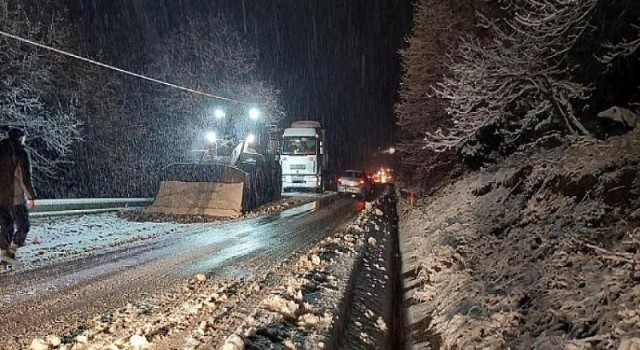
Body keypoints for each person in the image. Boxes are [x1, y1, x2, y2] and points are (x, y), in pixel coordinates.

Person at [0, 127, 36, 271]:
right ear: (19, 138)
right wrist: (31, 196)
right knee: (23, 225)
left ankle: (3, 257)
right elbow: (23, 176)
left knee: (6, 226)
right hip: (14, 197)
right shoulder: (20, 153)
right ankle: (10, 252)